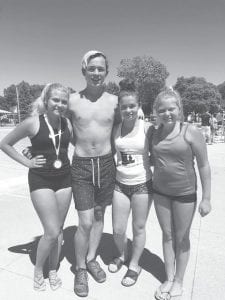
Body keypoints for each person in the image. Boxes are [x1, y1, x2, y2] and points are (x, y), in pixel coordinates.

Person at [0, 83, 73, 291]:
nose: (59, 104)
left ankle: (53, 269)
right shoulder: (32, 123)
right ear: (46, 100)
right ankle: (38, 270)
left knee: (59, 230)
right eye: (55, 100)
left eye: (63, 101)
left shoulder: (67, 124)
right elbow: (5, 144)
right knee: (50, 231)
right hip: (41, 180)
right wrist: (28, 162)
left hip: (64, 179)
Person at [152, 88, 211, 300]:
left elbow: (204, 165)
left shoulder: (190, 131)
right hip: (160, 192)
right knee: (167, 236)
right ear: (156, 112)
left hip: (185, 193)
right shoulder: (154, 132)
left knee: (181, 237)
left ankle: (179, 281)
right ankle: (169, 278)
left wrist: (206, 198)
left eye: (171, 109)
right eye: (162, 110)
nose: (167, 113)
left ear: (179, 109)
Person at [69, 50, 118, 297]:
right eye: (92, 69)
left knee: (99, 215)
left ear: (106, 72)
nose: (96, 73)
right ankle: (79, 268)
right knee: (85, 222)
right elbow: (59, 128)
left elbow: (121, 128)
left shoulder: (114, 101)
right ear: (84, 71)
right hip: (81, 165)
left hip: (107, 163)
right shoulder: (72, 101)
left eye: (101, 69)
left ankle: (91, 259)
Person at [108, 79, 153, 287]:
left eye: (132, 106)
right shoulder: (115, 129)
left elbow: (162, 151)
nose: (128, 110)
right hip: (120, 184)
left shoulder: (148, 128)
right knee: (118, 229)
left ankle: (134, 265)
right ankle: (123, 255)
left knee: (139, 227)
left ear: (139, 106)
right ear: (119, 108)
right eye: (124, 106)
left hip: (142, 184)